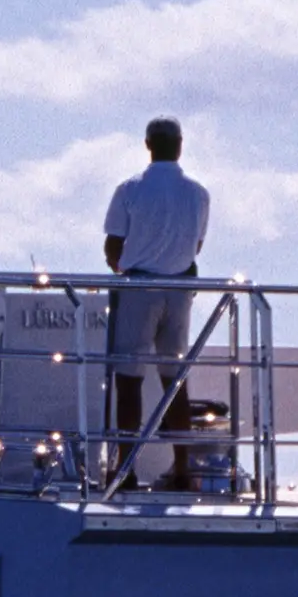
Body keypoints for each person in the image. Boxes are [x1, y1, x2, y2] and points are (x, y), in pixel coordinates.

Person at [102, 118, 211, 487]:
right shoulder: (198, 193)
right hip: (179, 290)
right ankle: (182, 467)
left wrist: (126, 266)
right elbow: (196, 245)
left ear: (148, 144)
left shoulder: (129, 189)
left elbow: (113, 246)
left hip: (138, 287)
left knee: (129, 382)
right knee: (175, 380)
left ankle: (125, 467)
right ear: (179, 145)